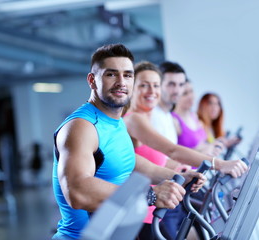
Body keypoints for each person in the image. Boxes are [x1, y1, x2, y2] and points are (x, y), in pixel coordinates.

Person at [52, 44, 206, 240]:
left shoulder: (115, 122)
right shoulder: (82, 126)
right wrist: (150, 196)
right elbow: (77, 191)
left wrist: (179, 177)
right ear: (92, 80)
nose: (121, 82)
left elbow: (132, 163)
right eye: (111, 74)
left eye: (127, 75)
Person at [123, 61, 248, 239]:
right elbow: (172, 150)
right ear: (132, 88)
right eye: (143, 85)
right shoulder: (134, 119)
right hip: (142, 213)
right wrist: (219, 164)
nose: (151, 91)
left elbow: (161, 160)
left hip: (156, 210)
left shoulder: (147, 119)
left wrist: (183, 172)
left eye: (155, 85)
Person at [172, 81, 224, 157]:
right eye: (185, 93)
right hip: (188, 168)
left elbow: (201, 144)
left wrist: (211, 146)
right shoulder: (174, 121)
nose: (191, 96)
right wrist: (205, 149)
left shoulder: (194, 117)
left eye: (191, 91)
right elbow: (172, 153)